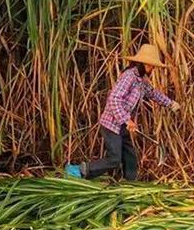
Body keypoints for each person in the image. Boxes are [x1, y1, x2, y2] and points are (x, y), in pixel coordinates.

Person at [65, 44, 180, 180]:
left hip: (122, 125)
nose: (152, 68)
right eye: (150, 65)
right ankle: (79, 171)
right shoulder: (129, 76)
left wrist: (170, 104)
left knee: (130, 155)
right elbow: (114, 98)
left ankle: (130, 183)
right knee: (114, 159)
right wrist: (127, 119)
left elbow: (153, 93)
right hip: (112, 124)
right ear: (141, 63)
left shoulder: (141, 80)